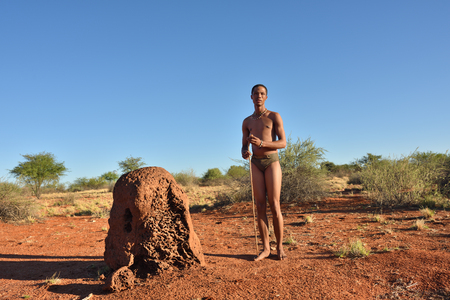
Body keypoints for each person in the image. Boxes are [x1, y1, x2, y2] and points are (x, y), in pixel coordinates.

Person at [241, 84, 287, 261]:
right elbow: (244, 145)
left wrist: (261, 144)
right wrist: (245, 151)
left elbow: (282, 143)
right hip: (255, 163)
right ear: (251, 97)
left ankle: (280, 247)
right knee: (260, 206)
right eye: (256, 94)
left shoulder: (274, 116)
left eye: (262, 94)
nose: (259, 96)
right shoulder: (247, 122)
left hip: (271, 162)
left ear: (266, 97)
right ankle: (266, 248)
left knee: (274, 205)